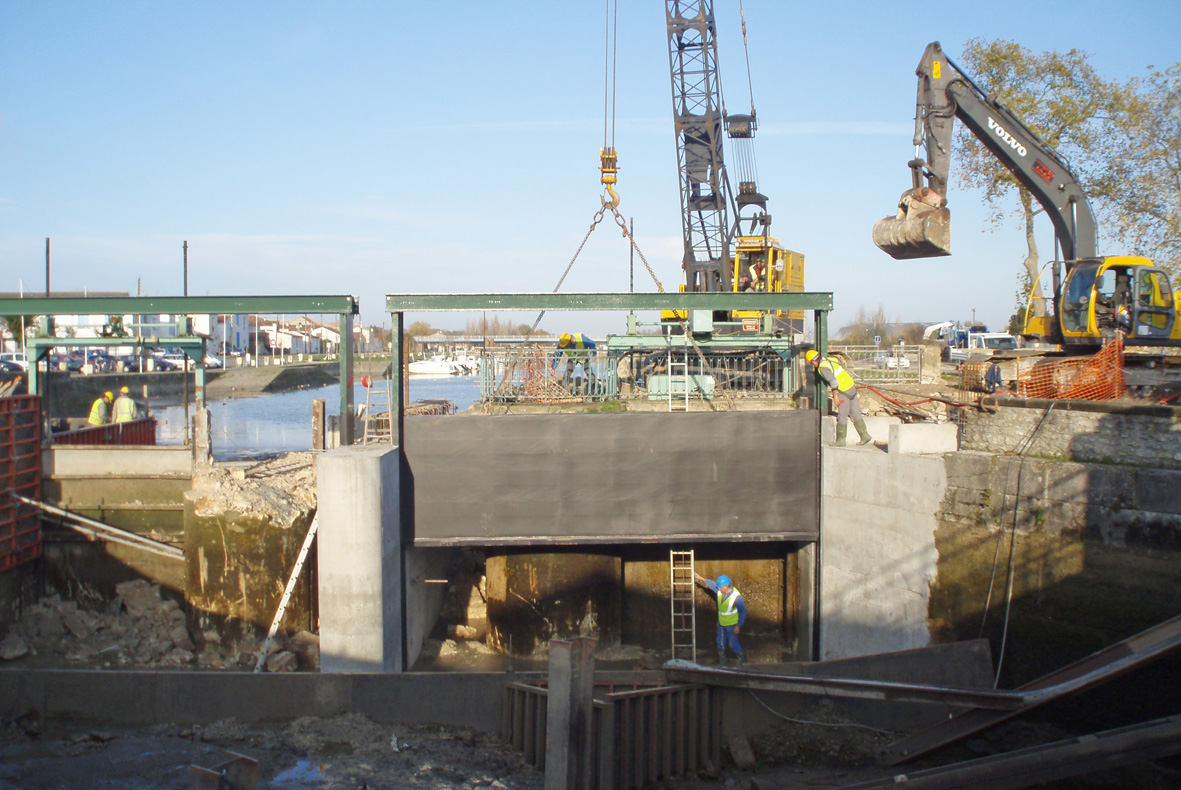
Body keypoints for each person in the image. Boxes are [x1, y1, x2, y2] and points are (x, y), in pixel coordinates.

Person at [805, 349, 872, 446]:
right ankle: (865, 435)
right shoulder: (830, 360)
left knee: (842, 416)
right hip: (851, 387)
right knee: (856, 413)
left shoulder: (823, 368)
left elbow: (833, 381)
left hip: (843, 390)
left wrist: (835, 396)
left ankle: (840, 441)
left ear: (813, 361)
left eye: (811, 363)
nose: (813, 365)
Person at [694, 572, 746, 668]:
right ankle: (723, 663)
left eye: (720, 587)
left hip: (732, 624)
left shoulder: (736, 597)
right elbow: (713, 585)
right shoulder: (720, 591)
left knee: (733, 644)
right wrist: (702, 579)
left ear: (726, 586)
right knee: (720, 643)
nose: (718, 588)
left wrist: (739, 625)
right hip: (721, 623)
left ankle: (743, 663)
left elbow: (742, 611)